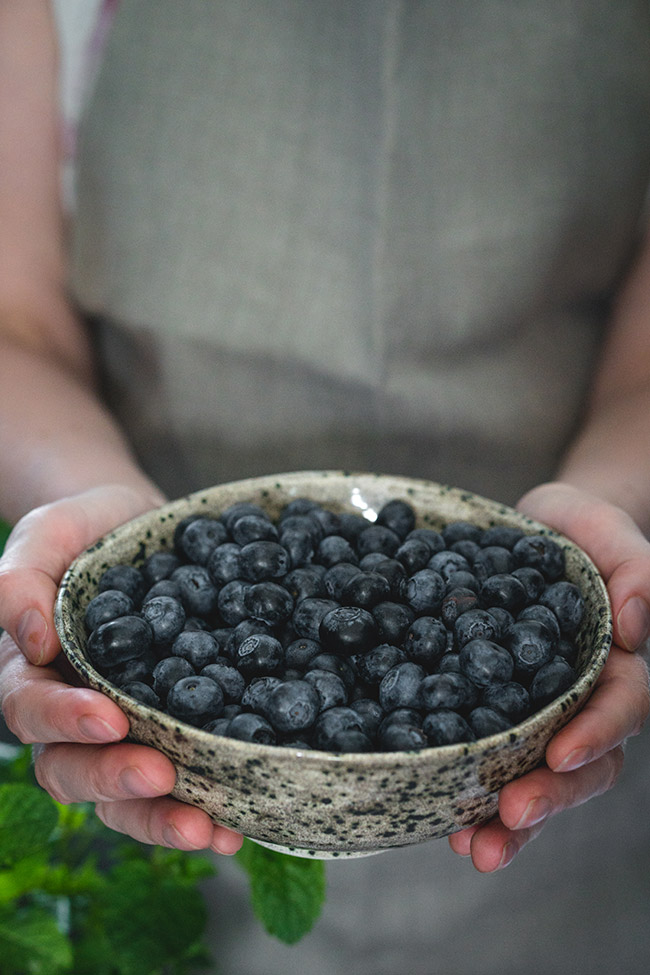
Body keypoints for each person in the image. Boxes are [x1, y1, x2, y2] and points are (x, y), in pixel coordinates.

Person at [0, 1, 649, 972]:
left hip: (563, 809)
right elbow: (18, 321)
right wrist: (96, 519)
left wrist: (606, 517)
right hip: (168, 786)